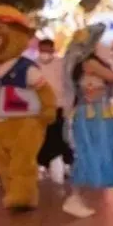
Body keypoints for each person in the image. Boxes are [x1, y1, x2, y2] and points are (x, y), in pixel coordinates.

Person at [62, 33, 113, 218]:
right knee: (91, 153)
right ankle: (75, 197)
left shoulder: (86, 63)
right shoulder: (90, 63)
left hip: (99, 112)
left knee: (107, 151)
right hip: (93, 115)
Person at [35, 38, 72, 181]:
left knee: (59, 136)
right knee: (41, 138)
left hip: (58, 106)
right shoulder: (34, 65)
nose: (44, 53)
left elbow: (67, 85)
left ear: (52, 50)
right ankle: (42, 165)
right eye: (42, 50)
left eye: (47, 50)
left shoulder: (61, 64)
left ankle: (66, 164)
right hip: (40, 108)